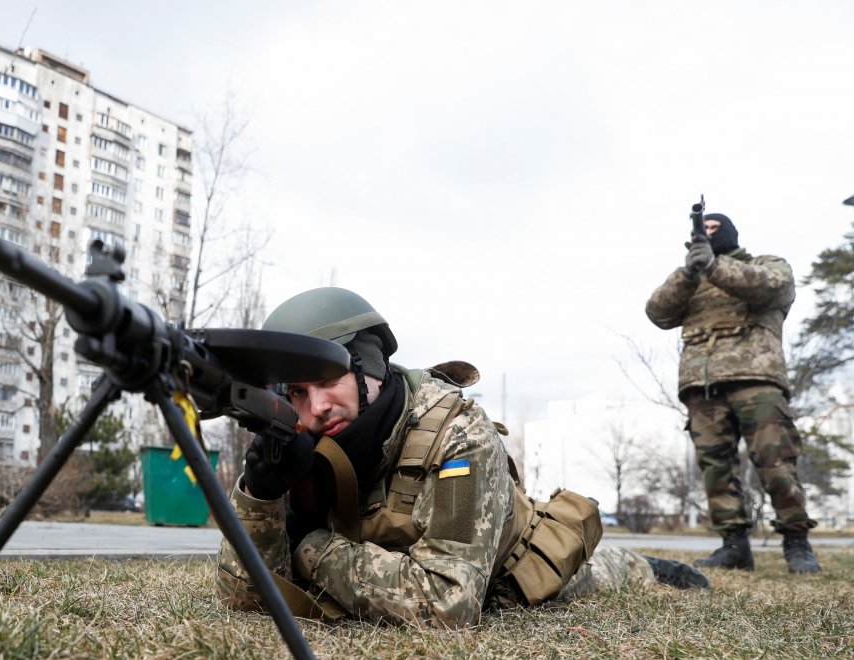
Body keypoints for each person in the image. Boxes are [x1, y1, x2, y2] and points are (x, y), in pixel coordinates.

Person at [215, 287, 708, 629]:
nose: (316, 407)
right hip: (392, 556)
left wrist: (307, 544)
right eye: (298, 392)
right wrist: (260, 496)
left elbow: (447, 606)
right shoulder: (301, 437)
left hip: (510, 566)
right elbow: (242, 595)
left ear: (368, 365)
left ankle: (647, 563)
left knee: (598, 569)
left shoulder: (457, 434)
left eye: (328, 381)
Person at [646, 212, 821, 574]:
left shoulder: (766, 264)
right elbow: (658, 311)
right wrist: (689, 272)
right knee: (716, 469)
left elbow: (770, 287)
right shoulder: (691, 280)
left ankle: (796, 542)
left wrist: (714, 266)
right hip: (702, 386)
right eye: (702, 230)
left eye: (713, 228)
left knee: (775, 464)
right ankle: (734, 545)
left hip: (756, 379)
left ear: (730, 234)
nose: (707, 234)